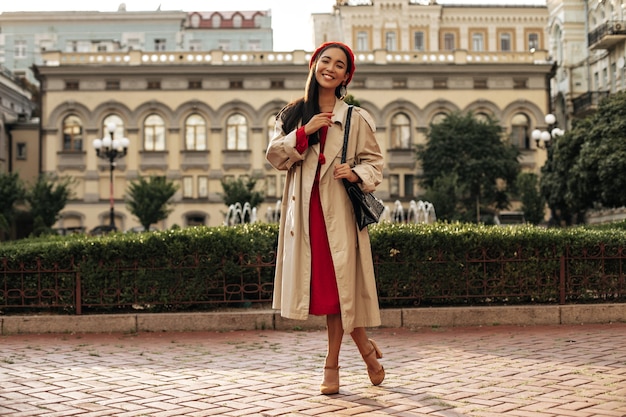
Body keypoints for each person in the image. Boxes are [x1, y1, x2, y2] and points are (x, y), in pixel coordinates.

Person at [265, 41, 384, 395]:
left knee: (338, 290)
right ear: (314, 64)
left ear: (347, 75)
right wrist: (304, 132)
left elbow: (374, 164)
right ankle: (366, 350)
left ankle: (331, 365)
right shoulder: (291, 115)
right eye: (325, 61)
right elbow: (274, 156)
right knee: (328, 292)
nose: (330, 68)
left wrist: (355, 172)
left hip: (341, 215)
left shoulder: (355, 118)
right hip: (304, 215)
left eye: (339, 65)